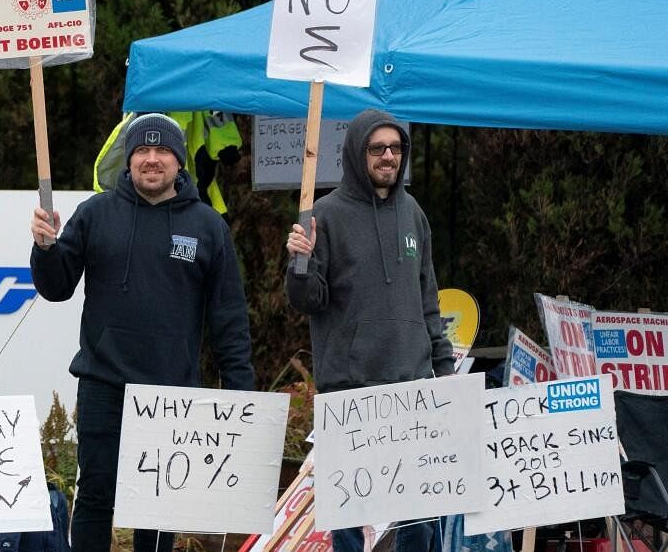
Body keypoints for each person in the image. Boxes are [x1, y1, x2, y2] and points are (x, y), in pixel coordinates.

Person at [30, 112, 255, 552]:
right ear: (129, 159)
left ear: (179, 160)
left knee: (159, 507)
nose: (152, 160)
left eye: (163, 151)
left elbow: (229, 317)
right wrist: (44, 248)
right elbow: (55, 287)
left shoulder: (208, 226)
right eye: (142, 151)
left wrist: (240, 391)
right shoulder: (94, 214)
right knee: (97, 495)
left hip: (172, 393)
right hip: (104, 385)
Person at [284, 108, 454, 552]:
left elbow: (428, 298)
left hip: (412, 386)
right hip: (350, 391)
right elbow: (308, 301)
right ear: (357, 153)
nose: (387, 156)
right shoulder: (323, 215)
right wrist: (299, 263)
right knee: (350, 522)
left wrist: (445, 369)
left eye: (395, 148)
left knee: (418, 519)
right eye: (377, 148)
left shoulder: (414, 213)